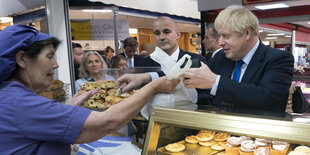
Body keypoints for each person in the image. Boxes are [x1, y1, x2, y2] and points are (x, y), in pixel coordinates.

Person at [0, 25, 179, 154]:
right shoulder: (21, 103)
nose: (55, 65)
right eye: (49, 57)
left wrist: (68, 109)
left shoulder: (9, 96)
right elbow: (106, 122)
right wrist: (153, 86)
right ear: (22, 59)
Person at [181, 5, 294, 113]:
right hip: (219, 131)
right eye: (219, 36)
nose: (220, 42)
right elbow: (205, 93)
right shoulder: (221, 57)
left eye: (226, 36)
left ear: (247, 33)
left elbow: (269, 101)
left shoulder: (279, 59)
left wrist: (216, 83)